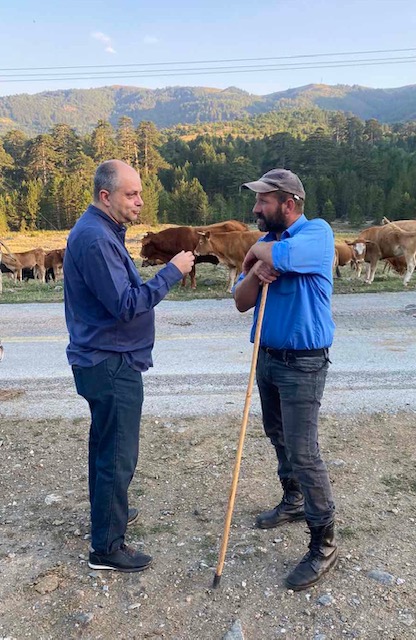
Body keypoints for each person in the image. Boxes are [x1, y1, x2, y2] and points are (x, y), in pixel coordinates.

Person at [63, 159, 195, 573]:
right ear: (106, 196)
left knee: (106, 445)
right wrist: (171, 273)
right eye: (131, 194)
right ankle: (106, 547)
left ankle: (106, 513)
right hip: (110, 362)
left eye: (140, 193)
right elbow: (126, 305)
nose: (140, 201)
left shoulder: (100, 231)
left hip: (104, 357)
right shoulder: (96, 239)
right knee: (117, 454)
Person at [234, 168, 337, 591]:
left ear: (288, 204)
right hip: (267, 358)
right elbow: (241, 302)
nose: (256, 207)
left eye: (263, 200)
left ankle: (324, 543)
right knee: (277, 435)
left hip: (303, 364)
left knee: (303, 450)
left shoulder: (317, 234)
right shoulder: (271, 243)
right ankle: (293, 500)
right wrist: (254, 272)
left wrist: (255, 252)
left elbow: (277, 256)